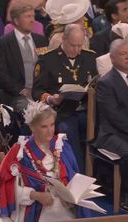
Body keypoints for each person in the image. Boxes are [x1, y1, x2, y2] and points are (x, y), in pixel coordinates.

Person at [0, 101, 91, 222]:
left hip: (65, 210)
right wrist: (35, 195)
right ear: (32, 127)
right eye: (44, 126)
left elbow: (74, 178)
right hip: (36, 211)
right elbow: (8, 188)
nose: (50, 131)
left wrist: (72, 199)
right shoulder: (20, 152)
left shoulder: (62, 146)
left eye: (52, 125)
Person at [32, 24, 98, 173]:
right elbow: (37, 91)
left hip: (87, 109)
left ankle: (101, 177)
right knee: (67, 131)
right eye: (73, 45)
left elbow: (95, 83)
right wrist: (50, 98)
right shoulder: (47, 59)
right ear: (64, 39)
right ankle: (77, 176)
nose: (76, 50)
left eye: (79, 45)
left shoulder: (89, 57)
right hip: (63, 111)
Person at [95, 39, 128, 211]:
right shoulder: (106, 83)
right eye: (123, 54)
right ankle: (126, 193)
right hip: (114, 133)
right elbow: (113, 116)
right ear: (112, 58)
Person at [0, 3, 48, 111]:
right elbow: (1, 75)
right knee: (33, 112)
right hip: (16, 95)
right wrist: (21, 90)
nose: (33, 20)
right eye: (28, 17)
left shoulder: (41, 41)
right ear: (16, 20)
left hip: (40, 93)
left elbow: (48, 68)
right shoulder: (3, 43)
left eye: (33, 16)